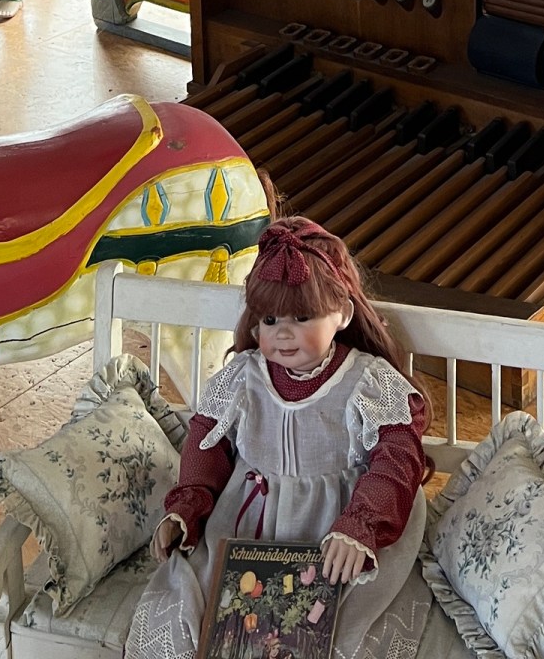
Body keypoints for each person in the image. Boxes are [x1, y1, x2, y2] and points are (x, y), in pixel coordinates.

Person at [128, 219, 435, 659]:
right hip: (248, 526)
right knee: (201, 613)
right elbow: (207, 443)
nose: (283, 333)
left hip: (337, 530)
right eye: (270, 320)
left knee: (333, 630)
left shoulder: (367, 383)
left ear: (343, 314)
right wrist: (188, 505)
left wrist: (360, 525)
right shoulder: (243, 377)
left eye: (302, 317)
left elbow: (397, 458)